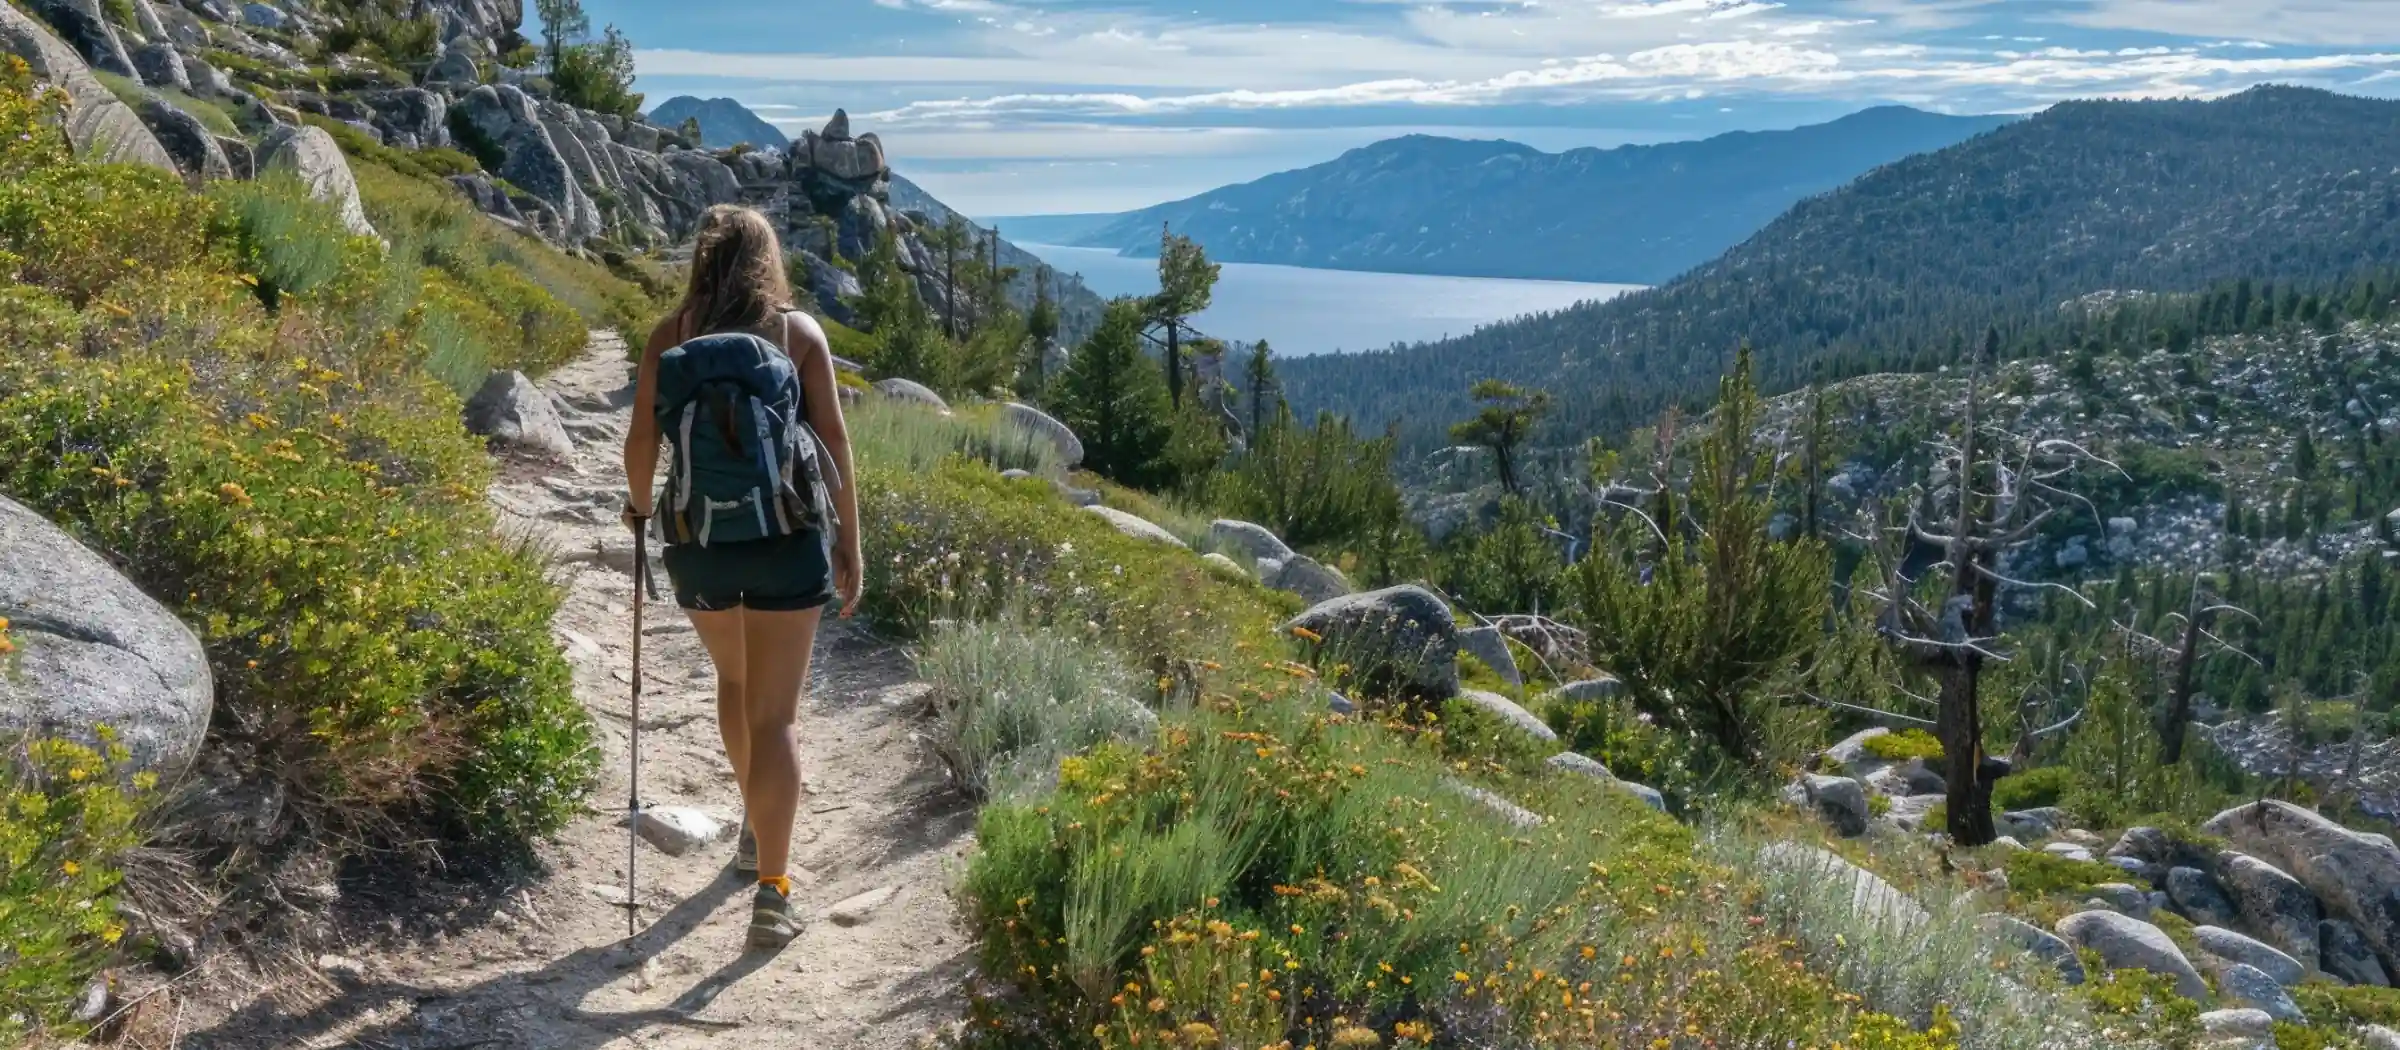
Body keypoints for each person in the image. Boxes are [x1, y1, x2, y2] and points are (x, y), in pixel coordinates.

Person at [622, 204, 862, 950]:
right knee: (778, 715)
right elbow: (835, 450)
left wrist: (639, 514)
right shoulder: (799, 334)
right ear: (768, 259)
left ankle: (754, 834)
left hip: (700, 543)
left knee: (735, 682)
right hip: (787, 542)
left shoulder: (672, 335)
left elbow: (640, 445)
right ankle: (773, 892)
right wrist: (851, 544)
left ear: (702, 260)